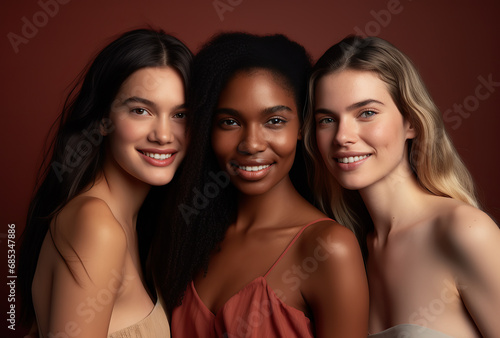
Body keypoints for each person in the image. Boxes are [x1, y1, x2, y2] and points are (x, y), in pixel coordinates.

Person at [151, 32, 368, 338]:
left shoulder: (327, 248)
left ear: (301, 126)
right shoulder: (187, 236)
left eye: (274, 121)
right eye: (229, 122)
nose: (251, 144)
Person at [304, 35, 500, 337]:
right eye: (327, 119)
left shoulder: (464, 231)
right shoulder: (349, 251)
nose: (343, 136)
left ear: (411, 121)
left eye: (366, 113)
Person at [18, 28, 192, 338]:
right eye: (141, 110)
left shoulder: (133, 224)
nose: (164, 135)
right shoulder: (97, 226)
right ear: (102, 120)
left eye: (180, 115)